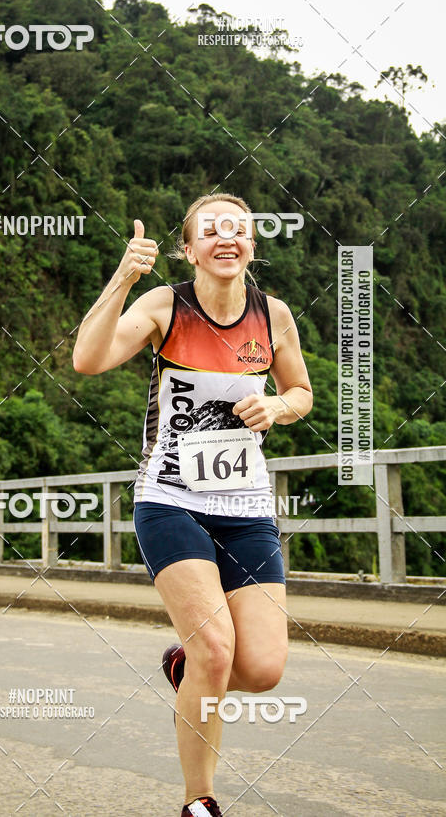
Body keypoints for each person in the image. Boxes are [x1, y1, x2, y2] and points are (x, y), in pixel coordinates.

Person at [73, 193, 313, 816]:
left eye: (239, 230)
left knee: (261, 670)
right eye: (211, 230)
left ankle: (186, 664)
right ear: (189, 248)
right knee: (217, 650)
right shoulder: (164, 305)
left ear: (253, 245)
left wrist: (278, 408)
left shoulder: (274, 315)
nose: (226, 238)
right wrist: (124, 277)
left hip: (246, 505)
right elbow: (88, 359)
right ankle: (198, 800)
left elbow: (301, 390)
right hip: (170, 498)